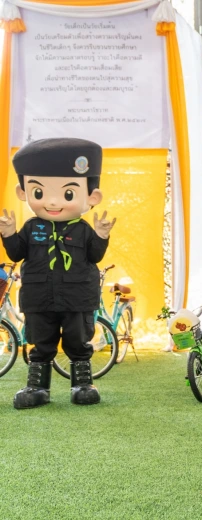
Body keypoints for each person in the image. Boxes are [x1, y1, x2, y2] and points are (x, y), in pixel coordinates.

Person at [0, 138, 115, 409]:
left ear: (92, 197)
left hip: (77, 297)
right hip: (39, 298)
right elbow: (16, 254)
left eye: (67, 193)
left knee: (78, 340)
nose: (52, 201)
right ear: (23, 192)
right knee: (41, 343)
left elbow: (95, 256)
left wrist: (101, 236)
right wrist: (8, 234)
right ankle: (38, 388)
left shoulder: (84, 229)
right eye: (39, 193)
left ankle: (82, 385)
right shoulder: (30, 227)